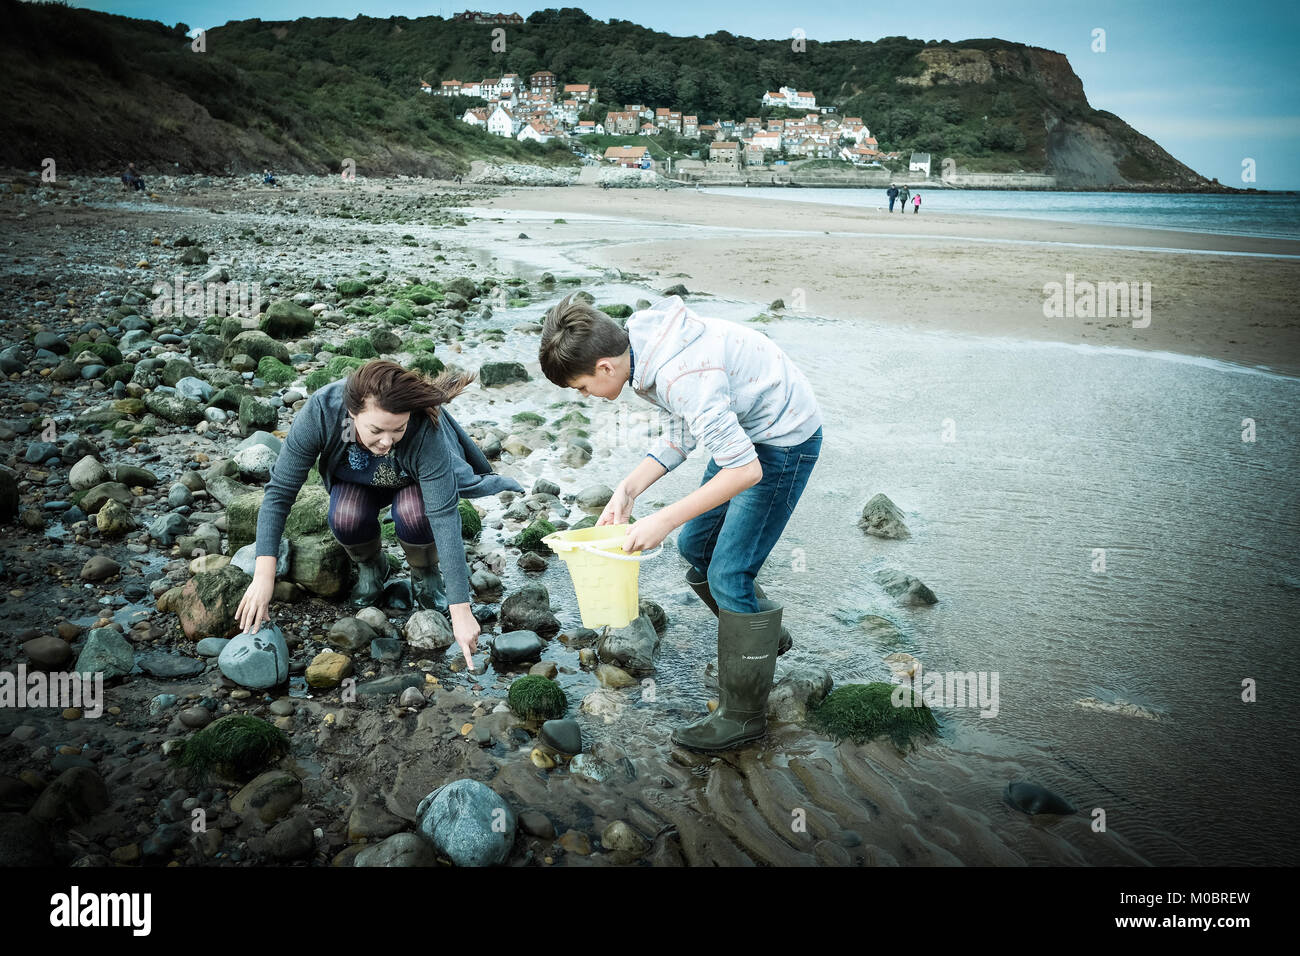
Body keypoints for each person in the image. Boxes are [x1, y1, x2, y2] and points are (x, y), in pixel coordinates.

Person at [539, 294, 823, 752]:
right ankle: (762, 636)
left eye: (581, 388)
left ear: (605, 367)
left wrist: (663, 520)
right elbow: (683, 431)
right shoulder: (645, 350)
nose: (585, 397)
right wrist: (628, 490)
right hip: (745, 435)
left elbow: (746, 471)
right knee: (697, 547)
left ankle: (743, 717)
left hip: (783, 441)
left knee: (728, 573)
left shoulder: (680, 374)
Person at [234, 360, 523, 670]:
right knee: (345, 516)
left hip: (411, 484)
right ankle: (372, 568)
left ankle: (425, 576)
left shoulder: (424, 427)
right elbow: (280, 492)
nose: (387, 441)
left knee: (416, 514)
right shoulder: (323, 411)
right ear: (353, 411)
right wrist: (264, 576)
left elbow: (445, 515)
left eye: (397, 429)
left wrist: (461, 610)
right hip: (356, 483)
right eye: (376, 430)